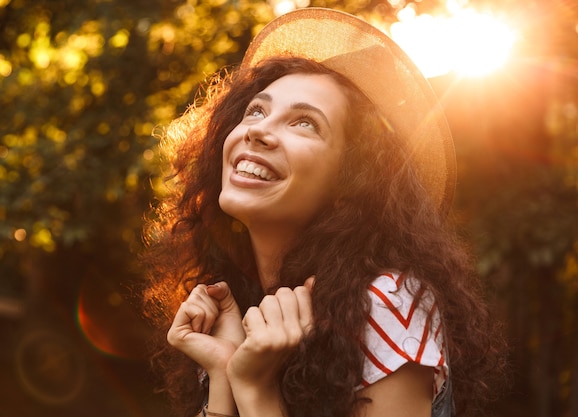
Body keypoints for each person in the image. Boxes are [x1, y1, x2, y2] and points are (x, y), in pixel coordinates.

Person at [141, 8, 505, 417]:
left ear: (351, 182)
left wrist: (256, 390)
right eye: (256, 111)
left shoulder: (384, 303)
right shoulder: (234, 304)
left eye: (304, 123)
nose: (257, 130)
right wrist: (224, 374)